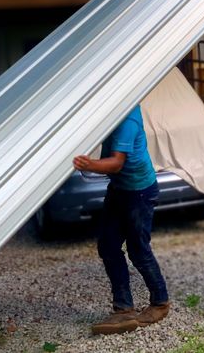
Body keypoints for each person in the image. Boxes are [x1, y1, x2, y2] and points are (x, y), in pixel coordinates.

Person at [73, 104, 170, 335]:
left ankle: (160, 303)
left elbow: (116, 163)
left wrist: (88, 164)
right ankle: (124, 308)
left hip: (139, 192)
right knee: (108, 246)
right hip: (119, 188)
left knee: (138, 250)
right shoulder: (113, 107)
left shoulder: (127, 120)